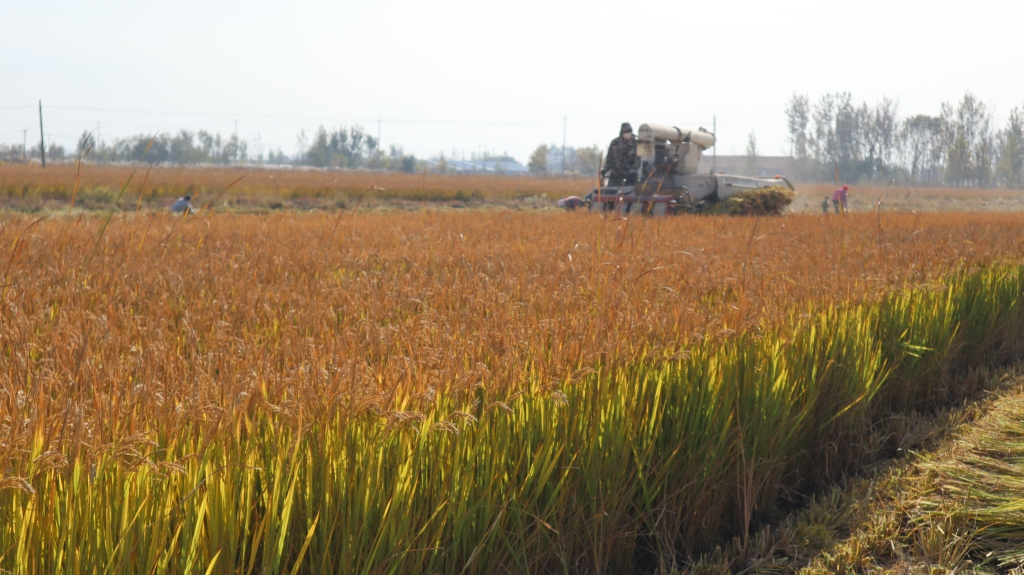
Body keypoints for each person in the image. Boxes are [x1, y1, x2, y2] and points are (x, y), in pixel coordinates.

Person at [602, 122, 638, 187]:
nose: (628, 133)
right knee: (610, 193)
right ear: (622, 132)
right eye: (626, 131)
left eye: (629, 131)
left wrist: (633, 169)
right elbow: (609, 159)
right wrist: (604, 169)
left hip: (630, 177)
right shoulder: (615, 143)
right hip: (615, 176)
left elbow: (638, 159)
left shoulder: (635, 143)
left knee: (628, 195)